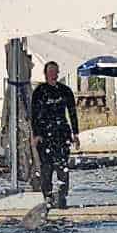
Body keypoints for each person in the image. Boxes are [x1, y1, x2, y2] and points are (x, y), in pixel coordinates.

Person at [31, 61, 79, 208]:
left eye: (55, 72)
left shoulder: (65, 91)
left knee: (62, 168)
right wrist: (37, 134)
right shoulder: (39, 91)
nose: (53, 74)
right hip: (45, 136)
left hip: (62, 134)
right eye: (50, 72)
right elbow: (34, 114)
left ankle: (62, 198)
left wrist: (75, 133)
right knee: (46, 169)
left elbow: (72, 112)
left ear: (58, 74)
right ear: (45, 74)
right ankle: (48, 198)